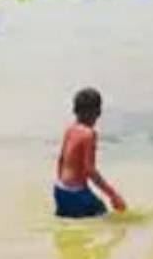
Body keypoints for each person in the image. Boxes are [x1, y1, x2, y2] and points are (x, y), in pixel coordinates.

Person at [54, 87, 127, 218]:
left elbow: (61, 160)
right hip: (76, 192)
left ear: (75, 110)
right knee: (102, 214)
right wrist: (113, 195)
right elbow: (90, 170)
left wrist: (63, 186)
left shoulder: (70, 130)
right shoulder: (89, 134)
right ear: (97, 112)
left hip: (60, 189)